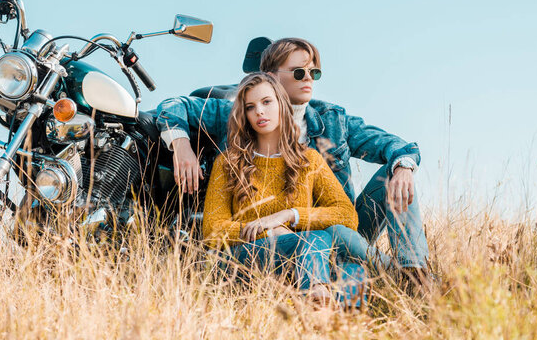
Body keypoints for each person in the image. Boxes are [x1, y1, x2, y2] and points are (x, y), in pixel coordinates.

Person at [156, 38, 429, 278]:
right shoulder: (236, 113)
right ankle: (390, 280)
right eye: (299, 72)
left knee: (395, 175)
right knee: (338, 258)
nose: (308, 78)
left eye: (314, 72)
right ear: (270, 76)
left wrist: (403, 166)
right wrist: (180, 143)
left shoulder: (333, 119)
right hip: (276, 243)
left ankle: (413, 271)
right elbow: (173, 105)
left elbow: (397, 147)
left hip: (340, 228)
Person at [203, 72, 362, 303]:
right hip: (243, 259)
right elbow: (212, 230)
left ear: (281, 105)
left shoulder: (309, 160)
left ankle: (342, 327)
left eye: (267, 102)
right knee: (315, 240)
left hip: (304, 258)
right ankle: (319, 298)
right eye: (250, 107)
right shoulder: (228, 162)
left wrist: (287, 216)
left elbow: (347, 215)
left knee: (352, 268)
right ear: (244, 114)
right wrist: (268, 231)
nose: (259, 111)